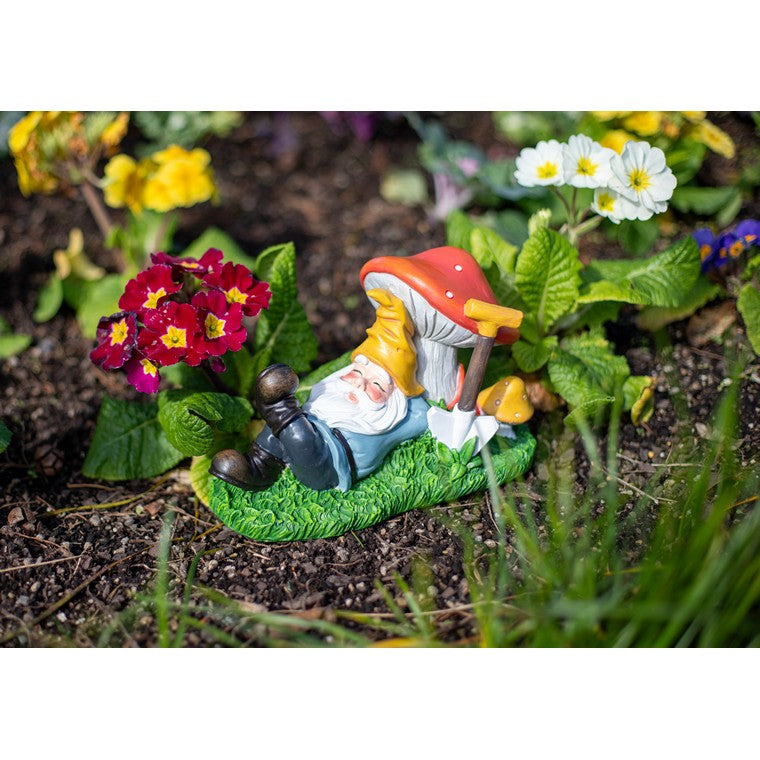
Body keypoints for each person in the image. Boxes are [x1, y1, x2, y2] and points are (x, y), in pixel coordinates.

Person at [210, 289, 430, 492]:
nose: (360, 384)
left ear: (395, 400)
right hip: (309, 432)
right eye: (357, 372)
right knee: (281, 431)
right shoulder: (331, 401)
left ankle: (276, 407)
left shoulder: (394, 418)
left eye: (377, 384)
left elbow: (423, 415)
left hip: (330, 467)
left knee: (299, 436)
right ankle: (259, 468)